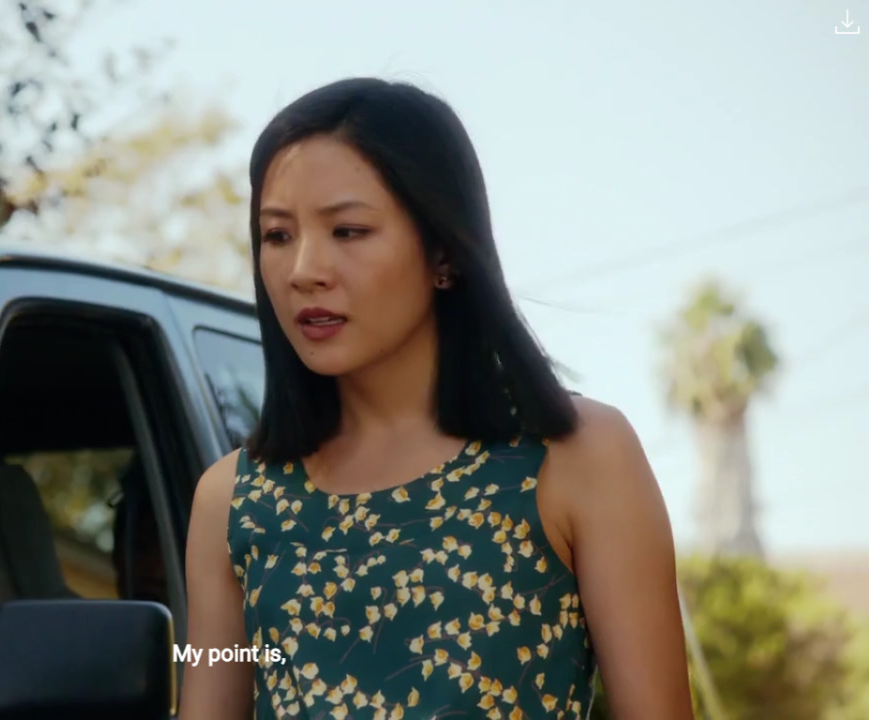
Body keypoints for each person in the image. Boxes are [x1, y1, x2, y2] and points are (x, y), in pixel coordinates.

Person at [180, 77, 694, 719]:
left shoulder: (578, 455)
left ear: (444, 250)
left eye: (348, 231)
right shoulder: (232, 501)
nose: (303, 270)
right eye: (278, 236)